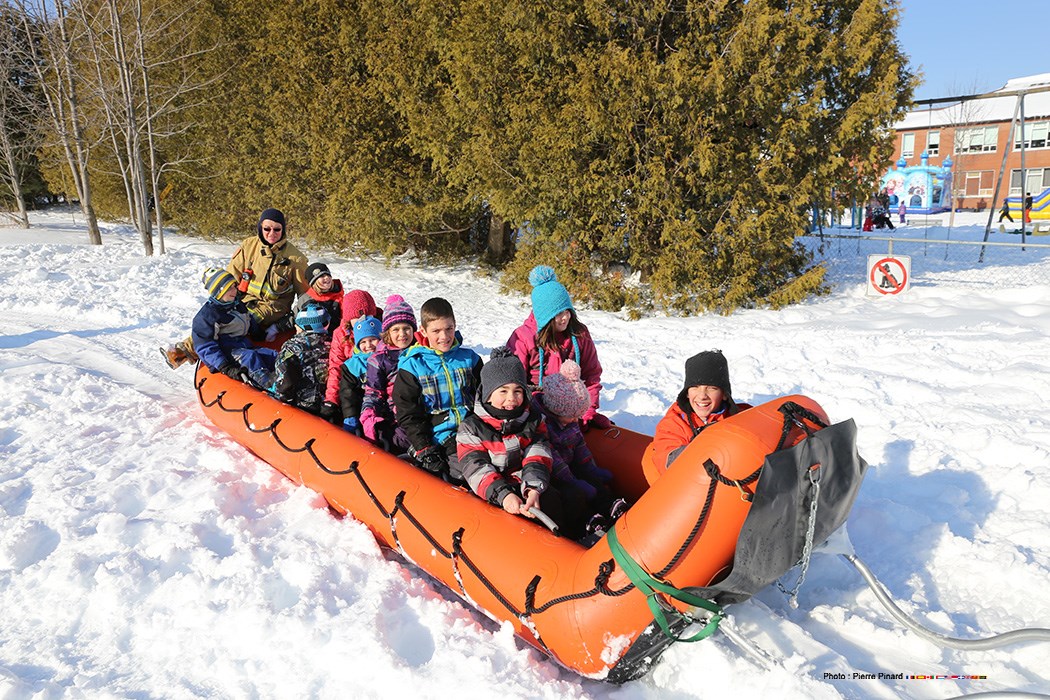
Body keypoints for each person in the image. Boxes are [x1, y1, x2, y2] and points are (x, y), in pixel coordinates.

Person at [164, 207, 309, 369]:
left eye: (277, 229)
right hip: (242, 300)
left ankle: (188, 352)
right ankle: (185, 351)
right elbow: (231, 275)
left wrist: (300, 321)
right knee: (213, 316)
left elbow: (305, 295)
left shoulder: (296, 259)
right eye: (267, 229)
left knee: (234, 322)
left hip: (270, 309)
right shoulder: (249, 246)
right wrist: (222, 300)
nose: (272, 233)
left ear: (283, 230)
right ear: (260, 227)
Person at [457, 347, 566, 532]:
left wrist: (532, 488)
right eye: (503, 391)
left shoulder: (532, 420)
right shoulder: (471, 428)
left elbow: (537, 454)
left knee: (556, 499)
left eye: (518, 391)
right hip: (491, 492)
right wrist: (503, 495)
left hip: (524, 482)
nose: (511, 398)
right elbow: (476, 468)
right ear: (488, 395)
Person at [505, 265, 610, 430]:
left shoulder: (579, 334)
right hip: (536, 412)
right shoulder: (524, 338)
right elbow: (513, 383)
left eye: (567, 310)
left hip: (571, 410)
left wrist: (587, 410)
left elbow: (591, 375)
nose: (565, 317)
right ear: (546, 316)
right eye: (558, 314)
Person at [393, 297, 482, 478]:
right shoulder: (413, 367)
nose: (444, 337)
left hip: (475, 431)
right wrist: (424, 446)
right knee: (469, 471)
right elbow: (408, 413)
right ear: (423, 331)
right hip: (441, 437)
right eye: (436, 331)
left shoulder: (469, 359)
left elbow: (486, 395)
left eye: (449, 329)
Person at [646, 350, 751, 478]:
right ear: (687, 393)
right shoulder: (674, 423)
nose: (702, 396)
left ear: (724, 394)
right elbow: (668, 462)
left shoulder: (743, 417)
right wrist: (705, 441)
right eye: (695, 387)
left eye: (711, 388)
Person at [534, 360, 613, 512]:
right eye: (572, 416)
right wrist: (573, 481)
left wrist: (589, 467)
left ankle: (609, 507)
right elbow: (553, 459)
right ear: (556, 411)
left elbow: (579, 444)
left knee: (594, 481)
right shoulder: (542, 425)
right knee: (575, 495)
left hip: (570, 465)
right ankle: (588, 520)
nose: (576, 420)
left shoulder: (569, 421)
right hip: (553, 474)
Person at [192, 267, 277, 388]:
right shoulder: (208, 315)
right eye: (229, 288)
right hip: (226, 352)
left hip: (243, 346)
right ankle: (268, 386)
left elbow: (248, 319)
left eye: (234, 286)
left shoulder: (236, 304)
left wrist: (258, 333)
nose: (235, 290)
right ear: (219, 292)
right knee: (250, 358)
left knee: (272, 355)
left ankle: (291, 381)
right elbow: (204, 345)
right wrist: (225, 367)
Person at [360, 295, 418, 450]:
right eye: (396, 329)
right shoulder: (379, 360)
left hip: (419, 414)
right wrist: (369, 416)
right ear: (387, 333)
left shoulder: (420, 353)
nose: (402, 334)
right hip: (394, 418)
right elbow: (373, 392)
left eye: (407, 328)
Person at [321, 289, 381, 423]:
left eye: (367, 315)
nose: (362, 321)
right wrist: (331, 399)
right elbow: (336, 366)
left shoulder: (380, 331)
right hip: (352, 389)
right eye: (357, 318)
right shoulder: (341, 334)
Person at [269, 304, 332, 414]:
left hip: (301, 403)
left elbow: (285, 379)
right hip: (326, 404)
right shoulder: (333, 345)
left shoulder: (293, 346)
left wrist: (280, 398)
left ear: (300, 327)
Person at [337, 315, 381, 435]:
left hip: (383, 411)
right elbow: (348, 393)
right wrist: (350, 415)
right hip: (361, 412)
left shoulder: (387, 360)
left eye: (373, 340)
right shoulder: (352, 366)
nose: (368, 345)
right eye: (363, 342)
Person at [291, 262, 344, 332]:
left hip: (336, 336)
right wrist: (277, 327)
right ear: (314, 282)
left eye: (328, 275)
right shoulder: (306, 299)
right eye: (322, 276)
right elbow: (294, 317)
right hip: (312, 336)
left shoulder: (339, 297)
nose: (327, 278)